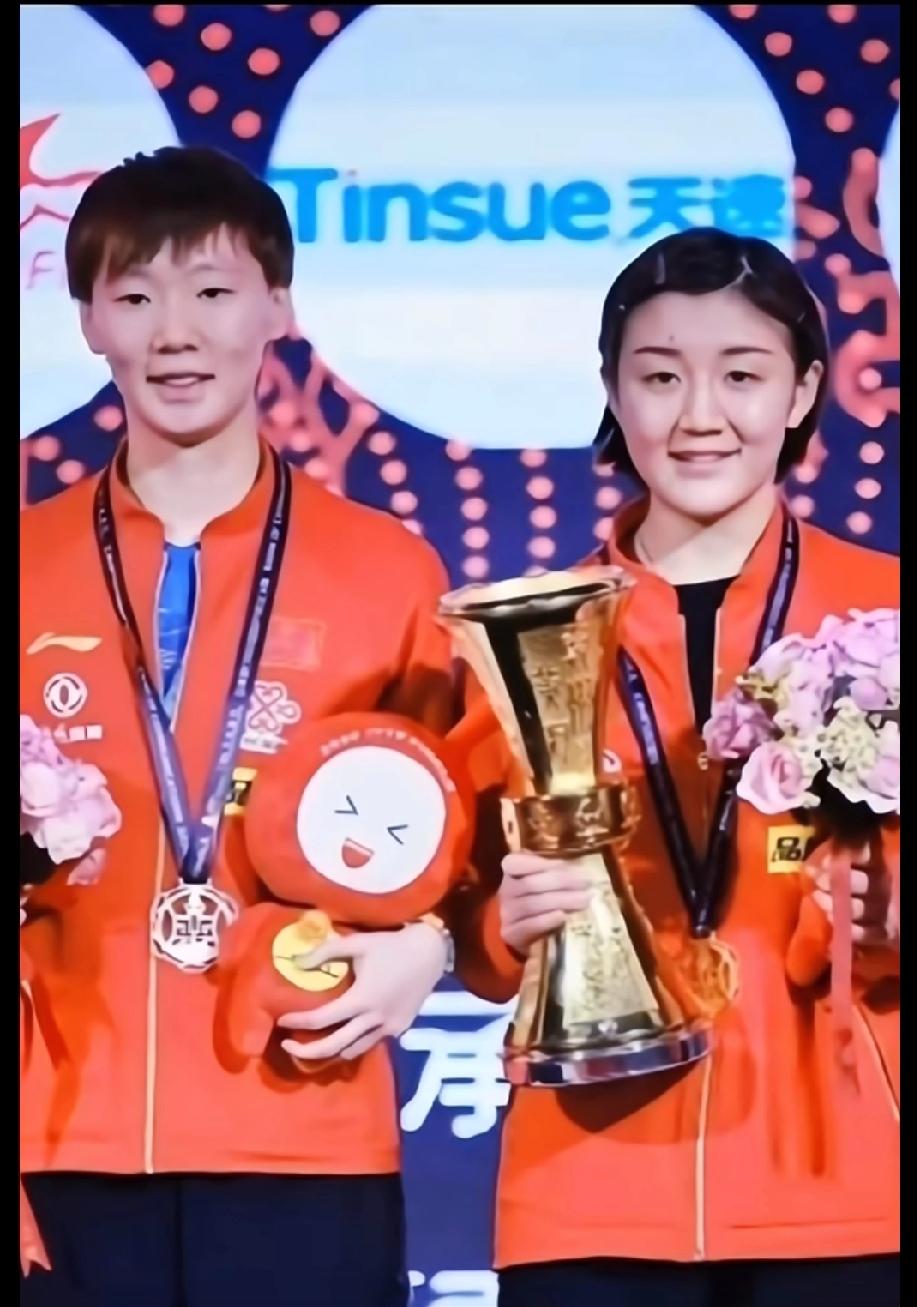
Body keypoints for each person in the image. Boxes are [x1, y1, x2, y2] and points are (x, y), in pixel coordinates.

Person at [20, 145, 459, 1307]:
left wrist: (431, 942)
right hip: (55, 1134)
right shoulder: (25, 561)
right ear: (87, 322)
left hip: (302, 1126)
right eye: (134, 297)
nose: (176, 333)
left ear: (277, 305)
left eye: (212, 291)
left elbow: (471, 825)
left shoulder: (388, 570)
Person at [452, 229, 900, 1307]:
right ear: (613, 391)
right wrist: (502, 927)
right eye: (659, 377)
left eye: (740, 375)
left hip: (842, 1177)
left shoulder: (883, 612)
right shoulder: (522, 636)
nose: (699, 414)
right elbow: (462, 912)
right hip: (588, 1185)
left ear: (801, 391)